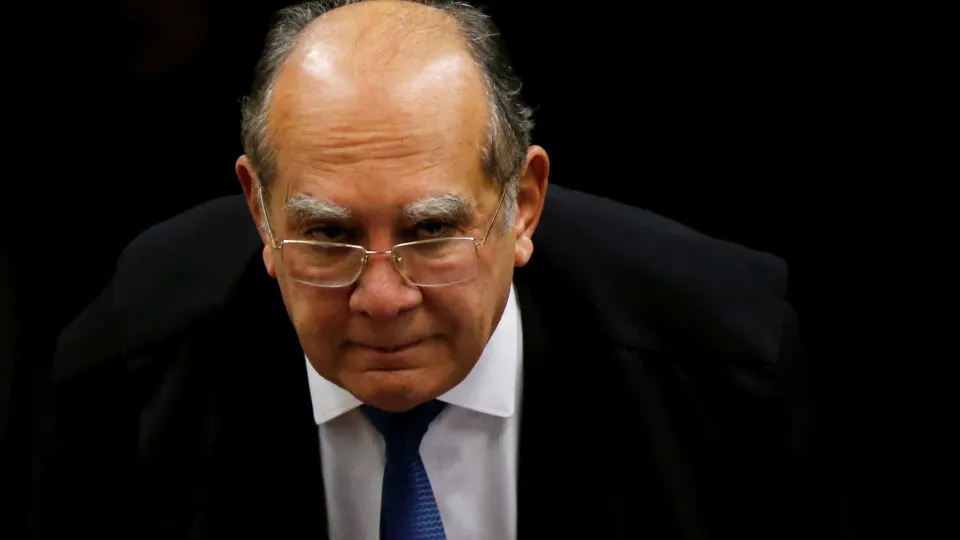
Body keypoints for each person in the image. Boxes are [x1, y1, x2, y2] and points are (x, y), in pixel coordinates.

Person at [35, 1, 825, 539]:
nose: (382, 298)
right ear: (260, 214)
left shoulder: (725, 361)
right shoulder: (128, 369)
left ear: (523, 206)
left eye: (433, 230)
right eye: (329, 235)